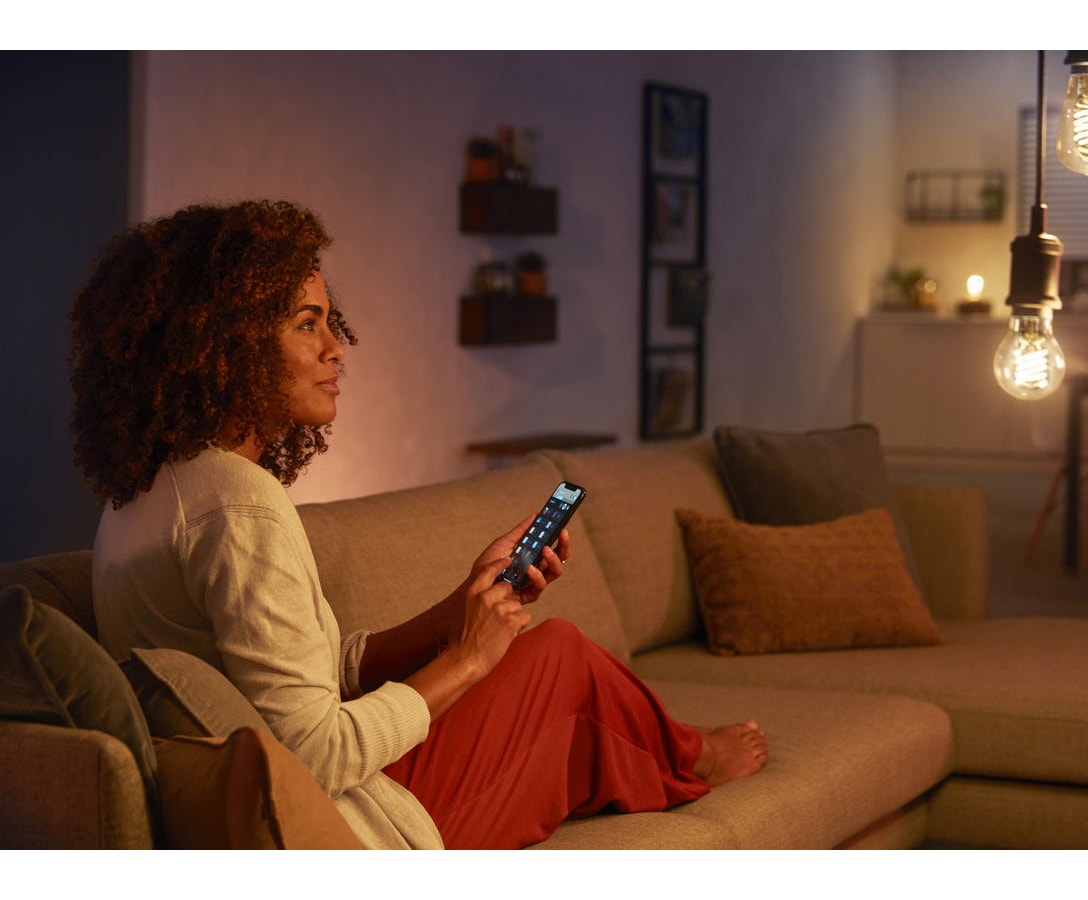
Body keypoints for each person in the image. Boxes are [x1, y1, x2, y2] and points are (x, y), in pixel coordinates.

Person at [70, 200, 767, 850]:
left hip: (305, 788)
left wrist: (460, 611)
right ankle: (691, 756)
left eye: (329, 321)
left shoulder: (145, 494)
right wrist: (467, 661)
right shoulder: (238, 506)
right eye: (306, 324)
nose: (336, 347)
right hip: (351, 824)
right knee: (560, 656)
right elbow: (314, 755)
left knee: (550, 658)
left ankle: (673, 749)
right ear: (227, 343)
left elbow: (312, 676)